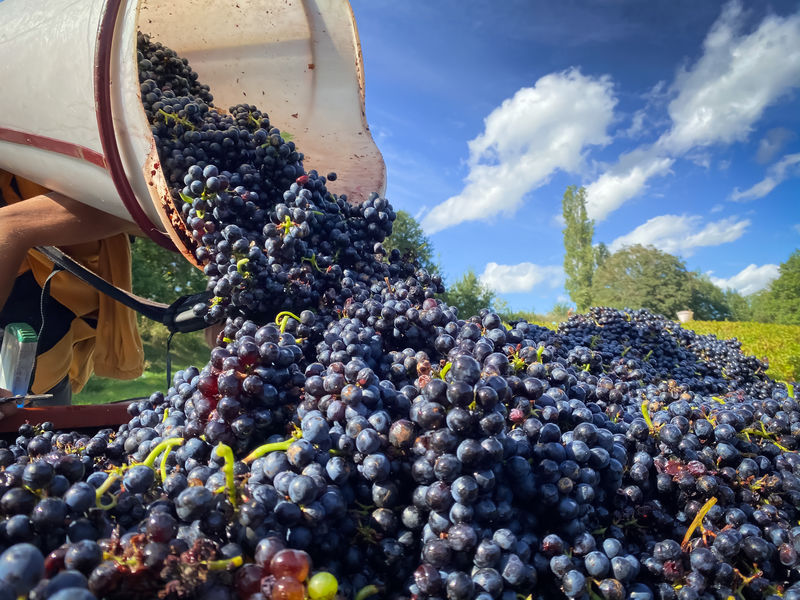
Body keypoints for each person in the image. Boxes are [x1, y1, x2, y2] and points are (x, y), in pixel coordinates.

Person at [0, 170, 146, 406]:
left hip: (45, 321)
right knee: (43, 429)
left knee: (42, 424)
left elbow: (145, 205)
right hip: (42, 329)